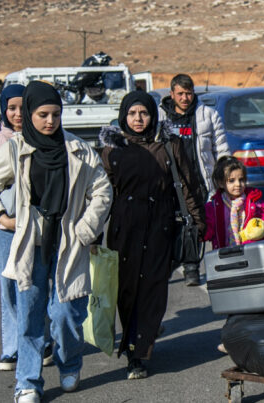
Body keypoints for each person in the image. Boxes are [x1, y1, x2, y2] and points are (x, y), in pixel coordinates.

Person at [0, 81, 112, 402]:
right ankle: (27, 383)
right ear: (29, 114)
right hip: (29, 246)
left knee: (67, 313)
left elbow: (103, 190)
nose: (49, 121)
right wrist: (2, 219)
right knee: (31, 316)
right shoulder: (15, 148)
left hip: (69, 243)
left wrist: (84, 229)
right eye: (42, 115)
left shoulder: (78, 149)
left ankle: (70, 364)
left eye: (55, 114)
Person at [98, 91, 205, 379]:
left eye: (143, 113)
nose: (138, 119)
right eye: (132, 114)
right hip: (124, 231)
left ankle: (139, 353)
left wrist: (198, 222)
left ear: (152, 115)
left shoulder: (168, 146)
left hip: (160, 228)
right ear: (123, 116)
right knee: (127, 291)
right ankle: (134, 346)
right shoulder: (111, 150)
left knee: (153, 290)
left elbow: (187, 185)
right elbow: (101, 195)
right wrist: (92, 231)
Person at [0, 84, 54, 372]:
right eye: (11, 108)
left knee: (38, 284)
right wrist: (0, 217)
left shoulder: (45, 139)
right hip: (5, 228)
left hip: (40, 226)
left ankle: (42, 341)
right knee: (9, 287)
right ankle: (13, 348)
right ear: (3, 109)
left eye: (22, 107)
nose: (17, 114)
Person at [158, 73, 230, 286]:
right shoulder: (162, 119)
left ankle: (192, 268)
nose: (184, 98)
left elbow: (222, 149)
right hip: (169, 182)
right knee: (170, 226)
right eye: (180, 93)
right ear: (172, 94)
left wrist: (224, 177)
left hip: (198, 180)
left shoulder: (208, 115)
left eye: (188, 93)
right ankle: (166, 267)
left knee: (195, 225)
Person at [203, 156, 264, 354]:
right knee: (233, 305)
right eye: (231, 180)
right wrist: (199, 229)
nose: (238, 184)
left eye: (241, 179)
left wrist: (260, 232)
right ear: (220, 183)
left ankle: (255, 339)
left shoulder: (255, 202)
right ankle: (232, 340)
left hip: (250, 260)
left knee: (253, 301)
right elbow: (208, 231)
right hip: (226, 261)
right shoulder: (214, 206)